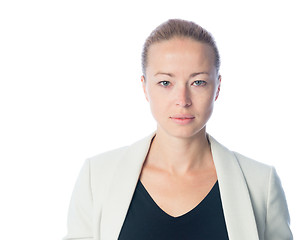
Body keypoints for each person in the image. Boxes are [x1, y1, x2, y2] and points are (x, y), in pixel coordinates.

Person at [63, 19, 293, 240]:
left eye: (198, 82)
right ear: (145, 87)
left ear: (218, 87)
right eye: (165, 83)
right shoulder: (98, 177)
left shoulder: (261, 183)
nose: (182, 100)